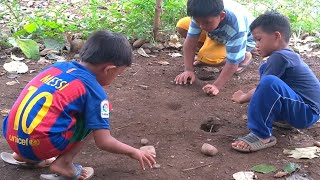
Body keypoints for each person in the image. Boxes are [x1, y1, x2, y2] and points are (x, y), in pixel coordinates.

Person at [2, 30, 156, 179]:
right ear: (110, 69)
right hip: (42, 144)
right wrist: (133, 152)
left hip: (12, 137)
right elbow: (104, 142)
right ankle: (64, 162)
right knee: (97, 114)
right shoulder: (94, 91)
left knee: (50, 112)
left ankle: (23, 155)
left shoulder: (56, 68)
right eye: (118, 74)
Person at [231, 11, 320, 152]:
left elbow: (264, 87)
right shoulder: (285, 55)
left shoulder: (280, 57)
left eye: (259, 39)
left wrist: (243, 97)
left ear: (276, 36)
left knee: (269, 82)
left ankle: (261, 135)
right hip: (303, 108)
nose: (256, 45)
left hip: (307, 112)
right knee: (265, 71)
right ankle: (284, 120)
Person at [175, 0, 256, 96]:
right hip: (216, 32)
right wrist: (188, 70)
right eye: (197, 21)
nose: (201, 26)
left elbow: (232, 62)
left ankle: (244, 55)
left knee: (209, 58)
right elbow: (190, 42)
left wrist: (216, 86)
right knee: (182, 25)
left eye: (206, 22)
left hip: (243, 39)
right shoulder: (202, 13)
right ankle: (210, 47)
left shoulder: (237, 28)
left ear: (221, 16)